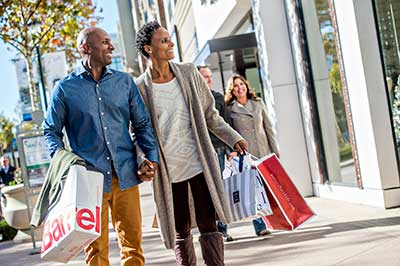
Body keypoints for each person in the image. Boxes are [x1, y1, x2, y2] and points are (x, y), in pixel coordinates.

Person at [43, 27, 159, 266]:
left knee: (133, 247)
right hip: (89, 182)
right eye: (105, 42)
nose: (111, 46)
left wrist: (151, 158)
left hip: (126, 175)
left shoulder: (123, 82)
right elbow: (51, 131)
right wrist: (67, 165)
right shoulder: (65, 89)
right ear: (85, 47)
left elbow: (142, 124)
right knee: (96, 252)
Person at [135, 21, 247, 266]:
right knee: (181, 228)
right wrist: (142, 159)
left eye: (169, 38)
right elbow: (138, 132)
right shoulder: (139, 88)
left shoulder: (188, 73)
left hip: (199, 162)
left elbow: (210, 114)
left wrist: (233, 137)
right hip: (168, 169)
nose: (170, 43)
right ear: (148, 49)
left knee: (208, 222)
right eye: (163, 40)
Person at [225, 74, 280, 237]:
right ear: (232, 91)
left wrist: (274, 149)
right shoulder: (230, 109)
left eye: (241, 84)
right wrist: (231, 151)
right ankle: (260, 226)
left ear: (246, 86)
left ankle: (277, 221)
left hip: (263, 151)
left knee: (268, 188)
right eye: (235, 86)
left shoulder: (258, 103)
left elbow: (268, 127)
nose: (239, 87)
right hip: (245, 155)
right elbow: (228, 132)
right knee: (253, 190)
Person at [197, 65, 233, 243]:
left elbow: (225, 124)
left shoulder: (218, 98)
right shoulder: (193, 99)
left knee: (219, 190)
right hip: (199, 152)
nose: (208, 79)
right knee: (204, 191)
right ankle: (208, 228)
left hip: (218, 149)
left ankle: (222, 230)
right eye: (204, 76)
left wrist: (230, 148)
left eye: (210, 76)